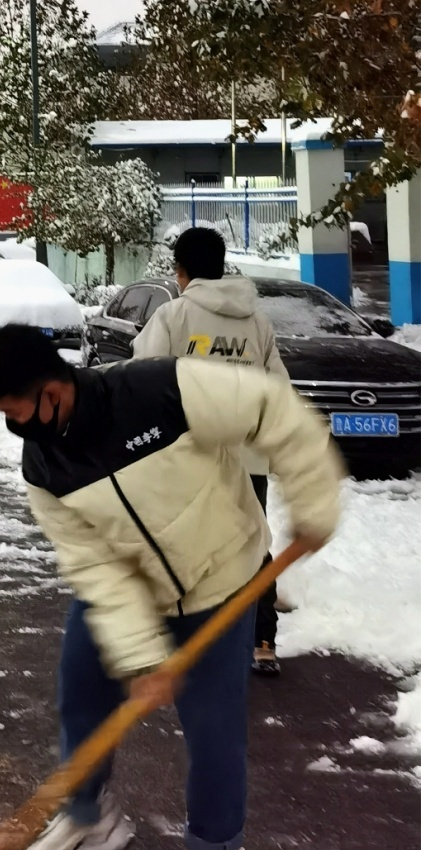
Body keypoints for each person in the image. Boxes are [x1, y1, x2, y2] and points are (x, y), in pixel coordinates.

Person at [0, 324, 342, 850]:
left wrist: (315, 501)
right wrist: (141, 654)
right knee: (82, 695)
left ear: (54, 389)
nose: (20, 429)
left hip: (218, 582)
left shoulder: (162, 390)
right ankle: (89, 820)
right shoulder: (44, 467)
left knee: (215, 729)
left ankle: (222, 847)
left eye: (21, 412)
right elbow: (94, 565)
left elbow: (276, 412)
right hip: (127, 591)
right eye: (6, 417)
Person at [133, 227, 289, 676]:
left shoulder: (173, 317)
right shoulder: (256, 323)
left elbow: (143, 383)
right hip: (247, 459)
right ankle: (262, 640)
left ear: (181, 271)